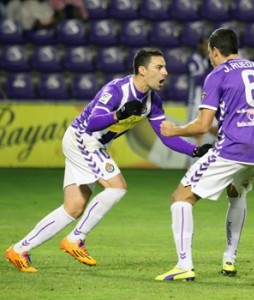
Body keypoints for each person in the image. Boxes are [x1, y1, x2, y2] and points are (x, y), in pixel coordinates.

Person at [5, 47, 211, 272]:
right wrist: (119, 114)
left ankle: (19, 250)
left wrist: (194, 151)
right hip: (83, 139)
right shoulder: (116, 90)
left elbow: (166, 137)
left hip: (92, 144)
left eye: (165, 67)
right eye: (159, 67)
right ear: (142, 70)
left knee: (73, 208)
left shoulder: (153, 101)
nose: (165, 72)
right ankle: (75, 239)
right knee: (117, 187)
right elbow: (93, 123)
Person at [156, 28, 254, 281]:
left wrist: (174, 130)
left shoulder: (217, 74)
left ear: (216, 51)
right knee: (236, 192)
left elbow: (201, 125)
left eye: (210, 52)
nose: (209, 57)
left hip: (232, 149)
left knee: (180, 197)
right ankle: (229, 258)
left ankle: (184, 265)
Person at [186, 37, 217, 167]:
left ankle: (209, 159)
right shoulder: (193, 60)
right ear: (199, 45)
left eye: (208, 46)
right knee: (196, 130)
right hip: (196, 101)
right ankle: (192, 162)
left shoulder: (207, 60)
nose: (206, 48)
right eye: (204, 45)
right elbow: (198, 80)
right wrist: (211, 70)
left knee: (214, 128)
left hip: (210, 99)